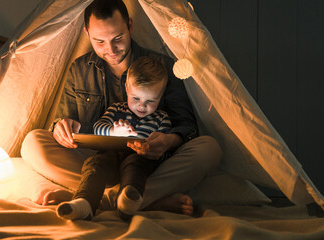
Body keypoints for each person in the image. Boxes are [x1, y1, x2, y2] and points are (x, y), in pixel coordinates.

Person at [21, 0, 221, 215]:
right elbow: (63, 119)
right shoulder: (79, 69)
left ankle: (92, 198)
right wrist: (61, 128)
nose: (111, 49)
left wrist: (167, 141)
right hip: (96, 161)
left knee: (209, 148)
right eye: (100, 41)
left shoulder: (162, 65)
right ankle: (140, 200)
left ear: (130, 26)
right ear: (87, 33)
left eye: (118, 38)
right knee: (32, 143)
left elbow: (187, 126)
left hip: (148, 165)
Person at [57, 56, 173, 221]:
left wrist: (152, 148)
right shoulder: (117, 109)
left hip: (140, 161)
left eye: (151, 101)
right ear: (126, 89)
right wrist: (113, 131)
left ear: (161, 96)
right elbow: (98, 128)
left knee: (135, 164)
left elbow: (165, 151)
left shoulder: (162, 119)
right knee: (94, 163)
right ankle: (84, 202)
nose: (142, 106)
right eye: (136, 98)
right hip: (110, 157)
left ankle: (128, 200)